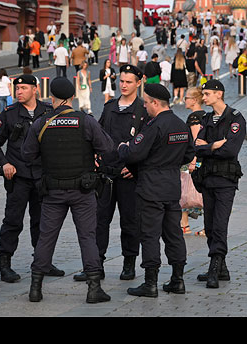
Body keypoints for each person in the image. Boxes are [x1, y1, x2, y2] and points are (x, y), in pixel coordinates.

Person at [21, 77, 114, 304]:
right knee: (87, 237)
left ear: (51, 97)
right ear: (72, 98)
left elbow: (27, 154)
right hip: (82, 191)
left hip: (52, 190)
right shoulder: (85, 121)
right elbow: (108, 147)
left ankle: (35, 288)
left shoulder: (41, 123)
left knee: (46, 238)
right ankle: (93, 289)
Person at [117, 83, 195, 297]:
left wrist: (123, 147)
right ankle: (178, 280)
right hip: (171, 186)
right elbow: (189, 154)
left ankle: (150, 283)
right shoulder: (180, 125)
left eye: (146, 102)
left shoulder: (154, 126)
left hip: (150, 186)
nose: (145, 106)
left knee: (149, 235)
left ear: (154, 102)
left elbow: (134, 153)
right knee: (174, 233)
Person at [0, 74, 63, 284]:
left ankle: (42, 262)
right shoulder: (9, 114)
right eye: (16, 88)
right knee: (13, 221)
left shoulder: (48, 112)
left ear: (35, 89)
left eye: (23, 88)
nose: (18, 92)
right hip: (18, 176)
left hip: (41, 177)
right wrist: (4, 163)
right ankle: (5, 264)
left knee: (42, 223)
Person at [74, 64, 146, 283]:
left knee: (130, 221)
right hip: (106, 174)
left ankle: (129, 263)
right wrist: (93, 157)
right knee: (98, 221)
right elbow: (98, 133)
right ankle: (96, 265)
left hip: (128, 176)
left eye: (128, 82)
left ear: (138, 83)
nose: (123, 85)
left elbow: (148, 145)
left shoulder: (143, 110)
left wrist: (134, 168)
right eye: (121, 81)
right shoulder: (109, 106)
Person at [193, 79, 247, 288]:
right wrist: (214, 145)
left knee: (219, 225)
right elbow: (196, 147)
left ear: (218, 94)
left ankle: (214, 267)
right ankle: (221, 269)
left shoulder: (235, 119)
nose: (203, 98)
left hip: (225, 181)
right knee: (209, 225)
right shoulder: (207, 119)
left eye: (206, 94)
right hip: (207, 180)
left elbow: (230, 151)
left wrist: (208, 146)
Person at [181, 86, 205, 235]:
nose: (185, 100)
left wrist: (193, 162)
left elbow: (196, 140)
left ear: (195, 100)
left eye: (187, 97)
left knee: (186, 192)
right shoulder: (205, 115)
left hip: (193, 160)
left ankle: (185, 224)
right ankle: (186, 224)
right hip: (199, 160)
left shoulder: (194, 117)